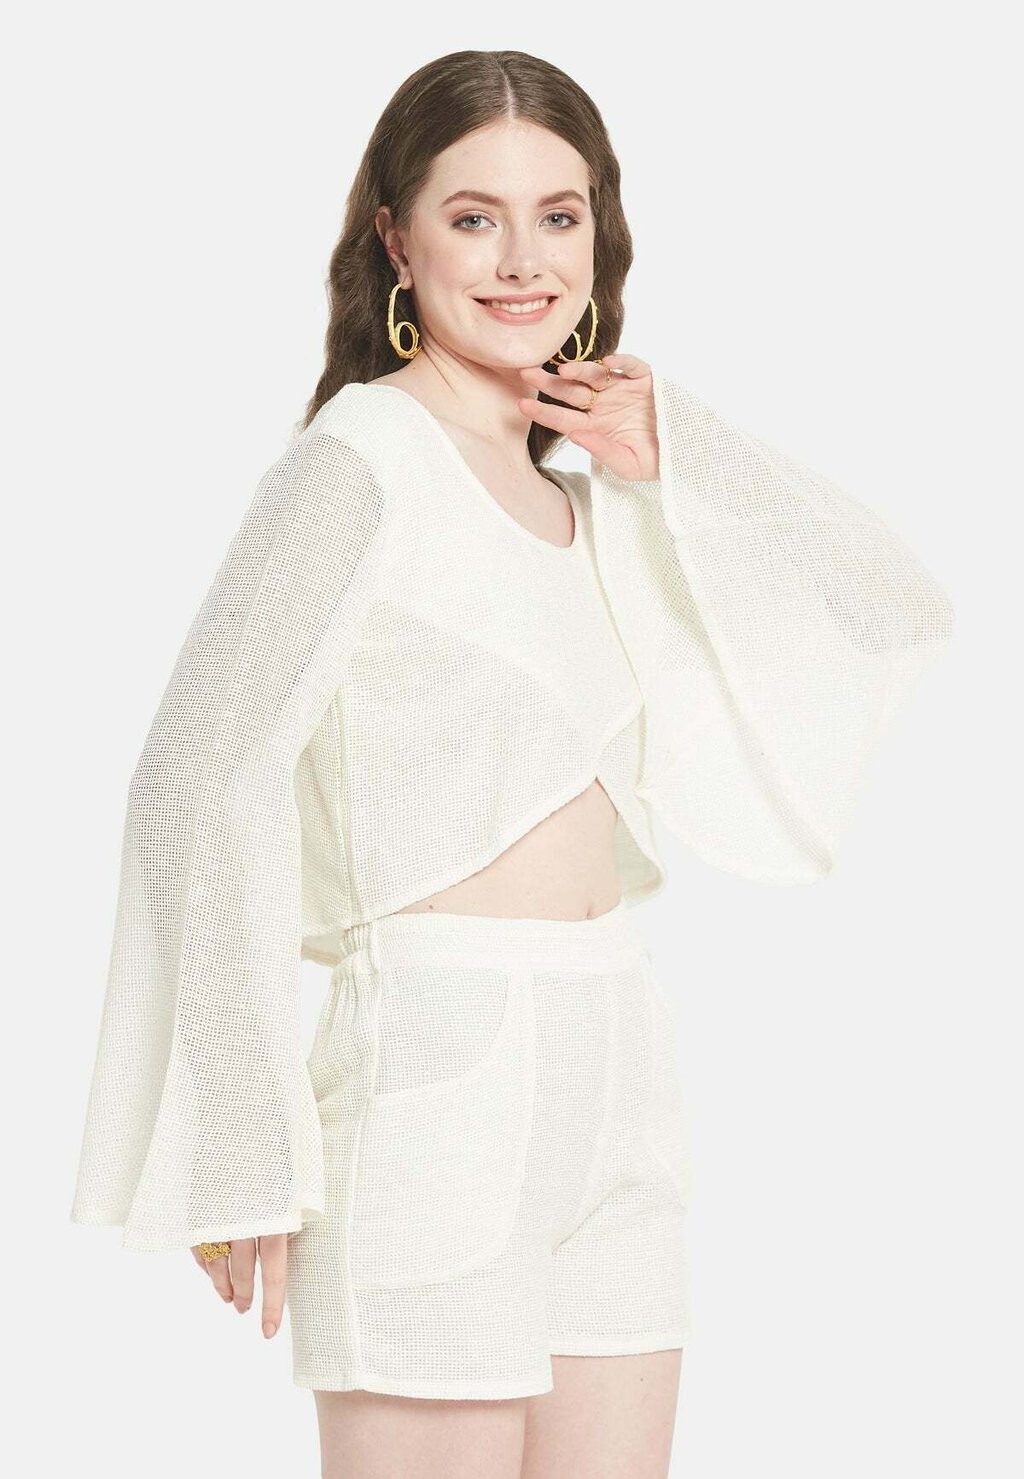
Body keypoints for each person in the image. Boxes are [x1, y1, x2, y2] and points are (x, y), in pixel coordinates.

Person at [69, 49, 954, 1479]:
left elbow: (892, 607)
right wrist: (242, 1135)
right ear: (396, 240)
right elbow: (194, 776)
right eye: (473, 217)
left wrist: (681, 451)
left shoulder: (589, 496)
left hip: (618, 1059)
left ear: (603, 234)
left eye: (559, 214)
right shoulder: (361, 459)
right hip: (436, 1065)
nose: (523, 259)